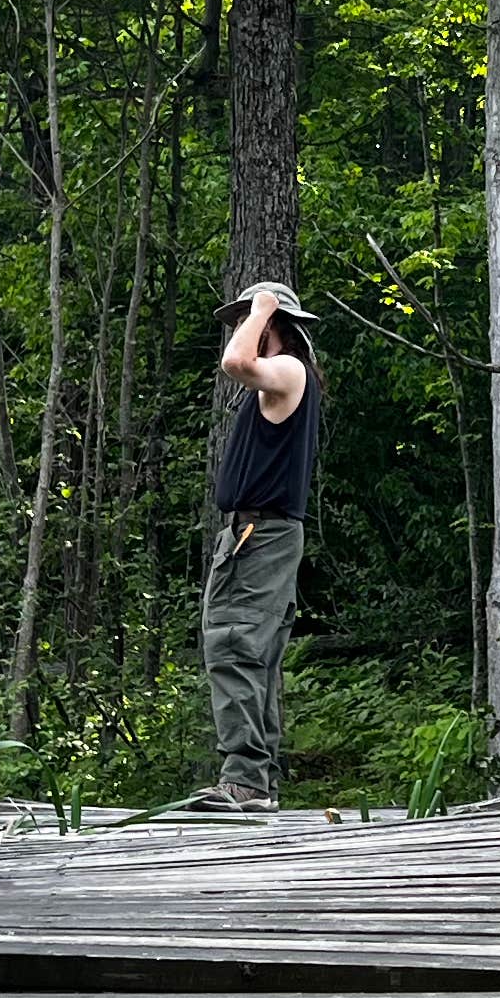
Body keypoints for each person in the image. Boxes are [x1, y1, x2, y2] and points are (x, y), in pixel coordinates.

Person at [196, 280, 320, 810]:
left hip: (260, 534)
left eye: (249, 320)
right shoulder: (282, 383)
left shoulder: (290, 369)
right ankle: (256, 784)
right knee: (253, 654)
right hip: (259, 534)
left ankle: (245, 780)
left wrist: (266, 305)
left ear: (270, 324)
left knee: (236, 644)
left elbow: (235, 363)